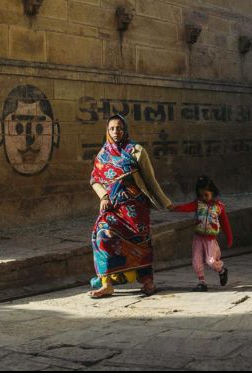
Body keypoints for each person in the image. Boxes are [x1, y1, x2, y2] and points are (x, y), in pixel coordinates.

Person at [89, 114, 173, 299]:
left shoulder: (136, 151)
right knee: (102, 233)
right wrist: (103, 196)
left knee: (140, 242)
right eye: (112, 128)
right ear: (107, 131)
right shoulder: (103, 154)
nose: (116, 132)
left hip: (136, 208)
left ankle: (147, 281)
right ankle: (107, 283)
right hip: (113, 208)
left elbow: (150, 180)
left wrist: (166, 203)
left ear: (125, 130)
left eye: (119, 128)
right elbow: (95, 179)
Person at [170, 176, 233, 292]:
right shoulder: (198, 204)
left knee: (211, 261)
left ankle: (222, 270)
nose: (203, 198)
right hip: (198, 237)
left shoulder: (219, 207)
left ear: (212, 193)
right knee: (196, 260)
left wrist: (229, 238)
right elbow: (186, 207)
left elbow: (225, 224)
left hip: (210, 239)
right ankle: (202, 282)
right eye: (201, 195)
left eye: (206, 195)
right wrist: (176, 208)